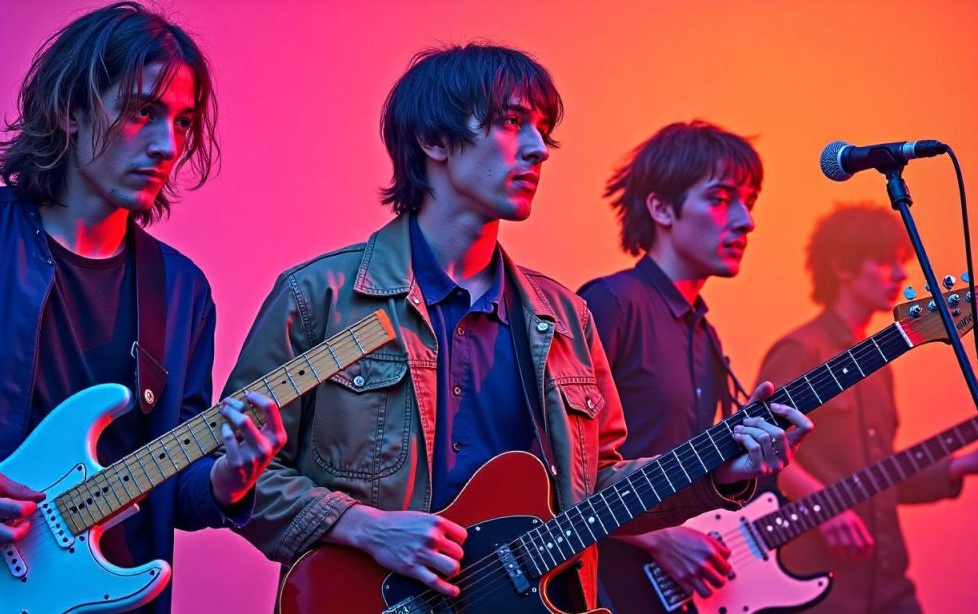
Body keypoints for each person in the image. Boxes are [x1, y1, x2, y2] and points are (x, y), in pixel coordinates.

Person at [222, 45, 812, 608]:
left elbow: (596, 486)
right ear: (433, 140)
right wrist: (365, 527)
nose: (538, 150)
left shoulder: (567, 320)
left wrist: (720, 470)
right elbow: (236, 473)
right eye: (512, 122)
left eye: (542, 130)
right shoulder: (320, 298)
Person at [0, 3, 286, 612]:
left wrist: (228, 479)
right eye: (141, 112)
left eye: (183, 122)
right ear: (71, 110)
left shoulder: (182, 291)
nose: (168, 145)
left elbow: (172, 486)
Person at [578, 120, 769, 610]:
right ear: (661, 208)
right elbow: (555, 462)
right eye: (721, 199)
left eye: (749, 202)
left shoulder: (705, 336)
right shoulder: (612, 304)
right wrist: (659, 538)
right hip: (599, 583)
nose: (746, 221)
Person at [758, 204, 978, 613]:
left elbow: (880, 476)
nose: (900, 275)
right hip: (825, 590)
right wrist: (823, 508)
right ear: (842, 266)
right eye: (884, 261)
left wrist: (962, 464)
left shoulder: (879, 367)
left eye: (901, 263)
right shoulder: (801, 350)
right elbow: (758, 453)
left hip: (888, 583)